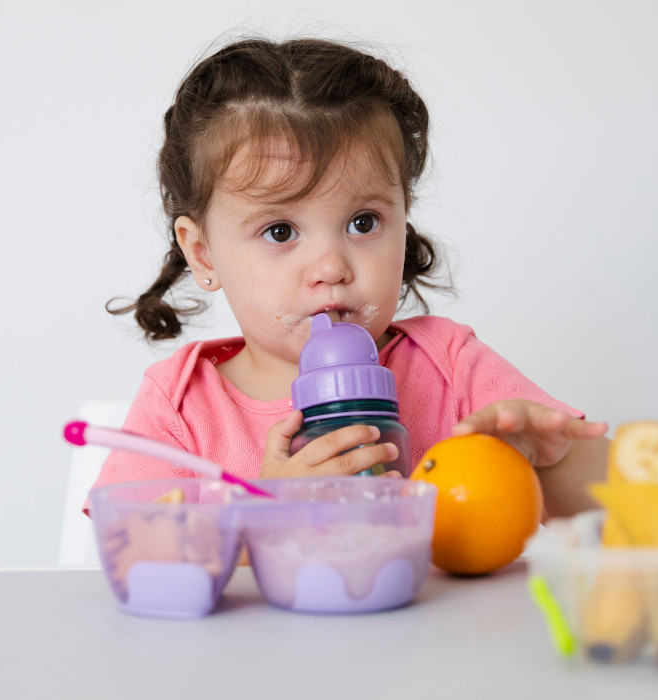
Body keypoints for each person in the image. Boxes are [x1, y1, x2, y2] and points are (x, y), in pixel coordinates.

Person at [92, 37, 608, 518]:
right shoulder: (181, 405)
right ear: (203, 254)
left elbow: (621, 500)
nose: (332, 268)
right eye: (279, 231)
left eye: (363, 223)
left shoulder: (450, 368)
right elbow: (138, 552)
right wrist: (264, 517)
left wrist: (551, 462)